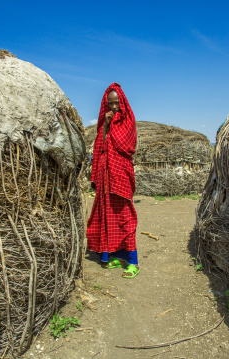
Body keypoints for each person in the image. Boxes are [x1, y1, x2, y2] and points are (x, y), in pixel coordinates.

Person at [86, 83, 139, 278]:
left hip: (120, 177)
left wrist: (113, 125)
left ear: (122, 102)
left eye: (117, 103)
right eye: (110, 104)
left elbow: (126, 145)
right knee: (107, 217)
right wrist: (106, 126)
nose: (114, 107)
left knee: (125, 217)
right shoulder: (104, 124)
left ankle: (133, 262)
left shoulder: (128, 121)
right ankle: (115, 255)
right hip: (105, 178)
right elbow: (101, 146)